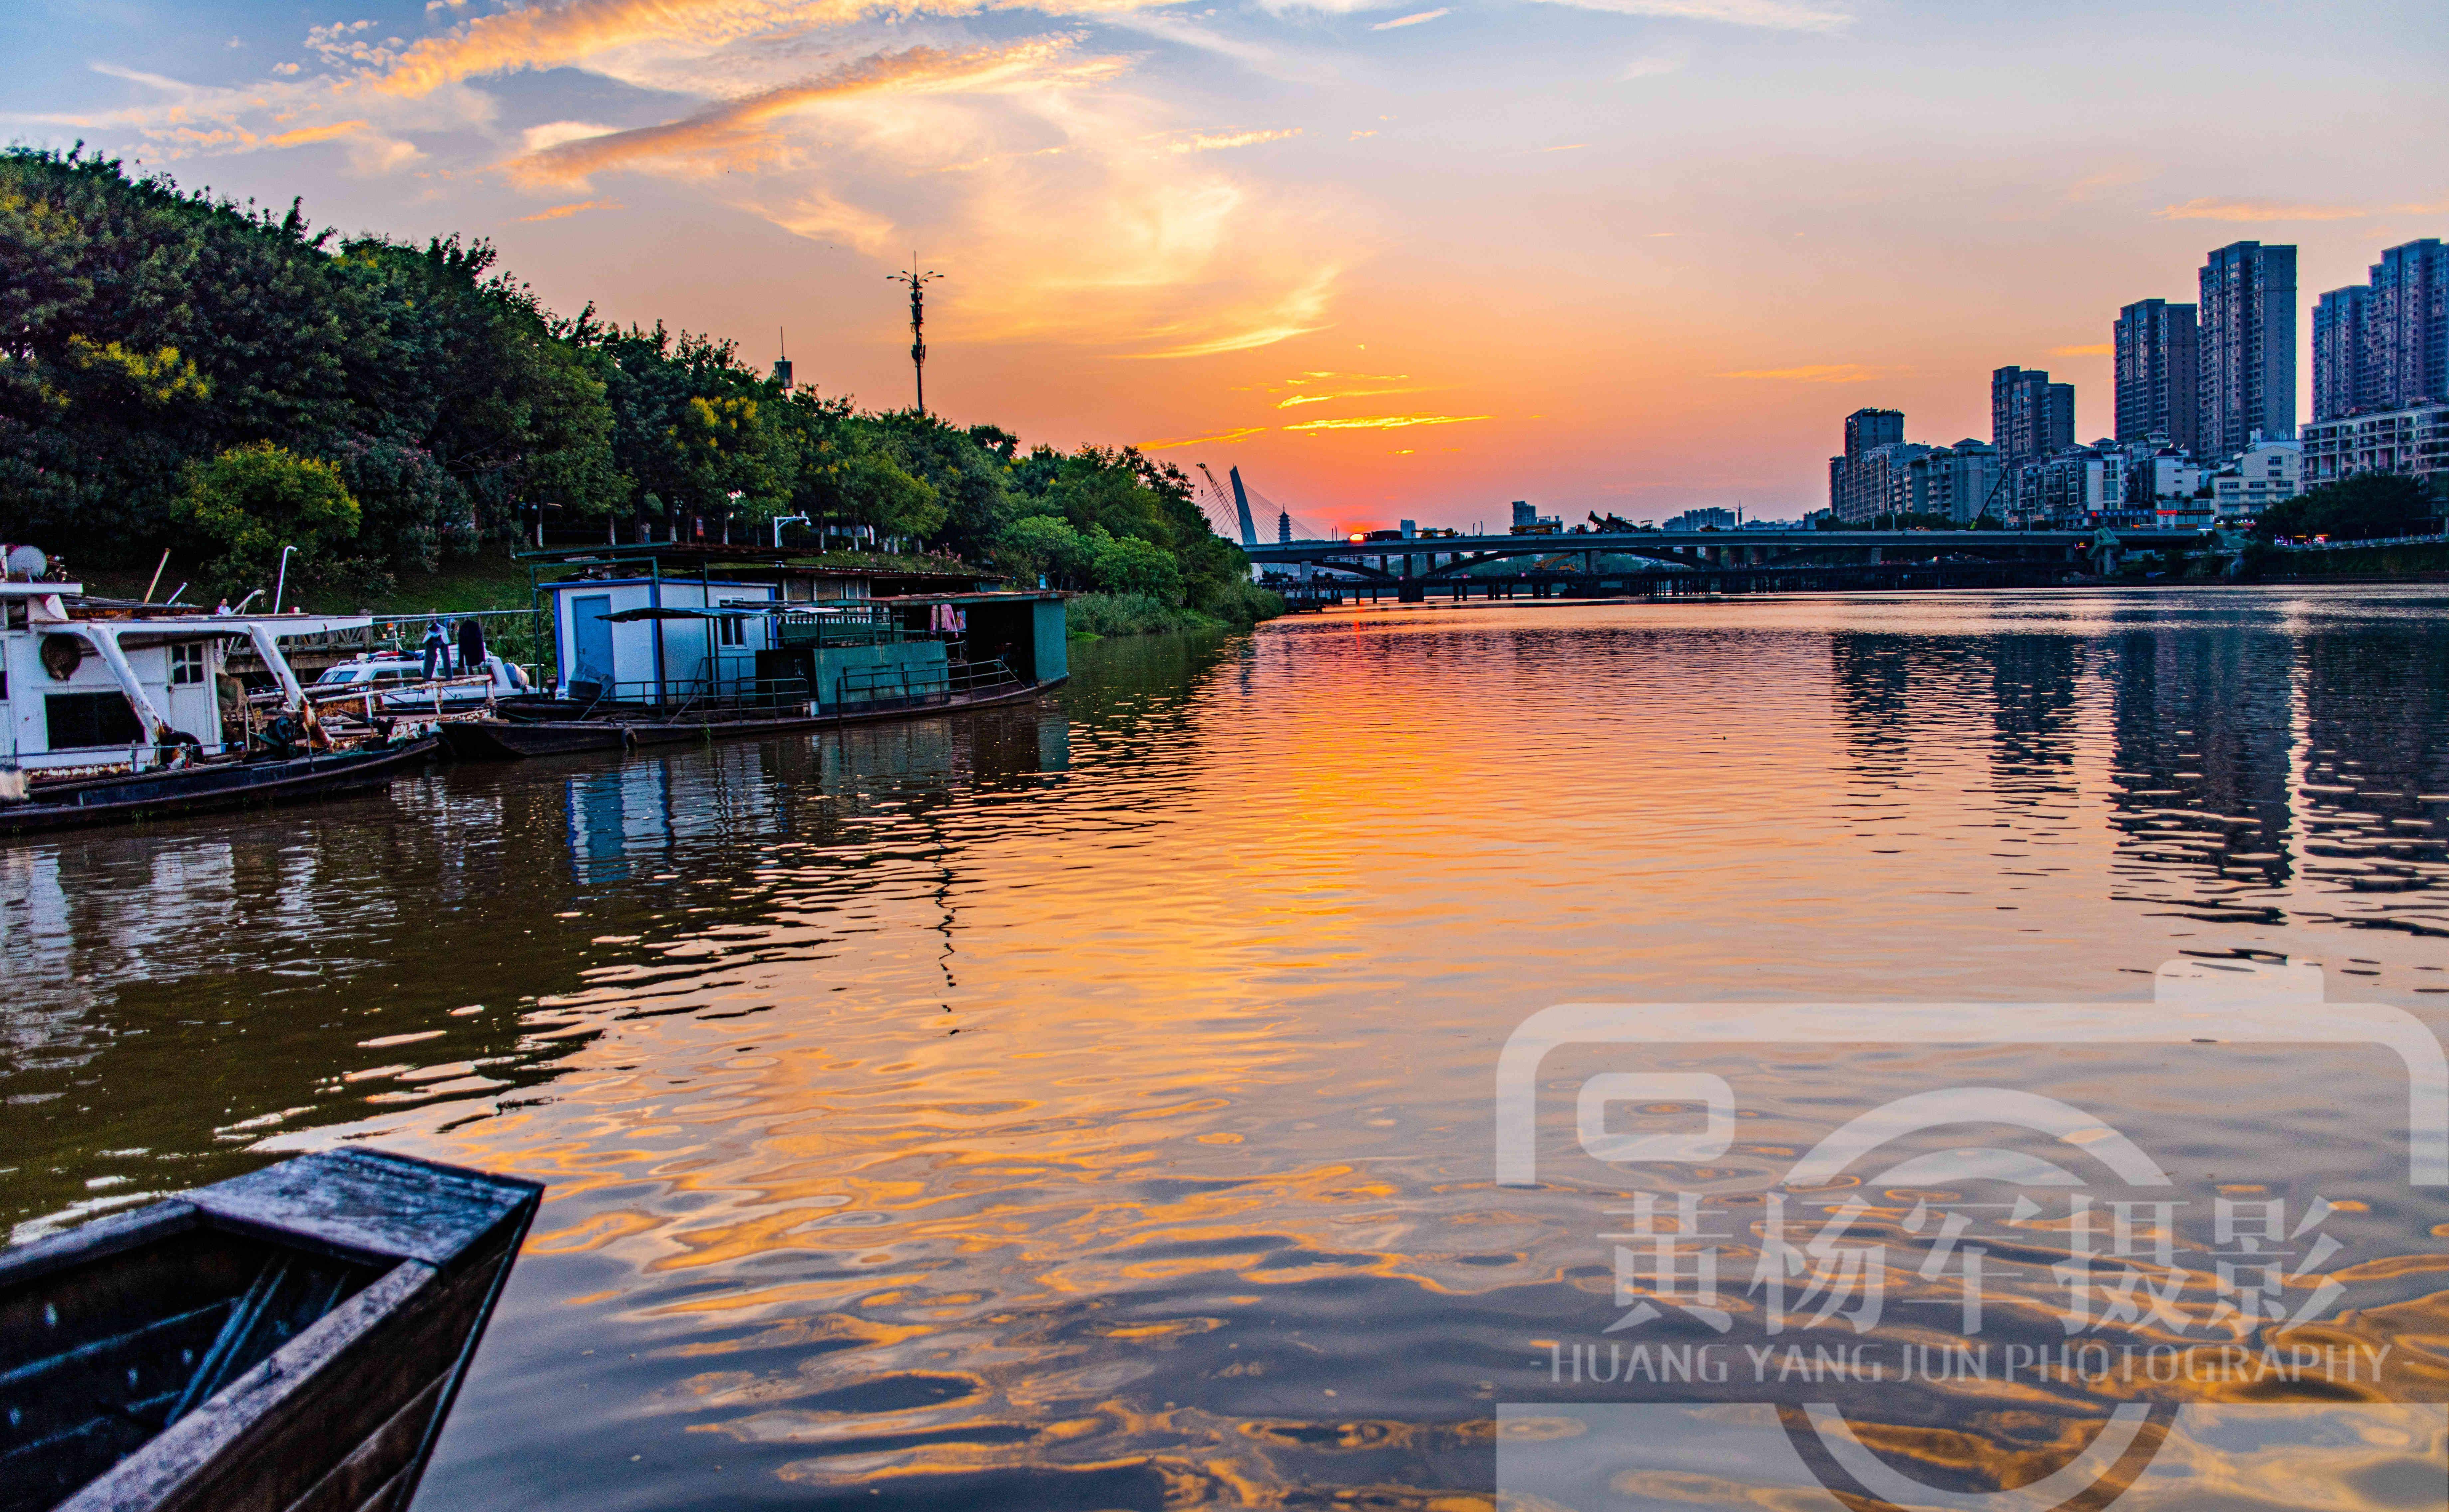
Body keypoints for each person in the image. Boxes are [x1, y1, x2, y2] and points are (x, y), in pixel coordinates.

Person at [457, 614, 488, 681]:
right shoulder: (475, 627)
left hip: (469, 653)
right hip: (476, 652)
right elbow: (480, 643)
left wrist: (461, 663)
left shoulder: (463, 628)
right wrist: (482, 657)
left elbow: (461, 647)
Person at [420, 616, 450, 680]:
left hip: (441, 637)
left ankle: (427, 676)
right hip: (436, 637)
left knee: (443, 657)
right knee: (433, 657)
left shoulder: (442, 630)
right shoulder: (432, 629)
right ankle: (427, 676)